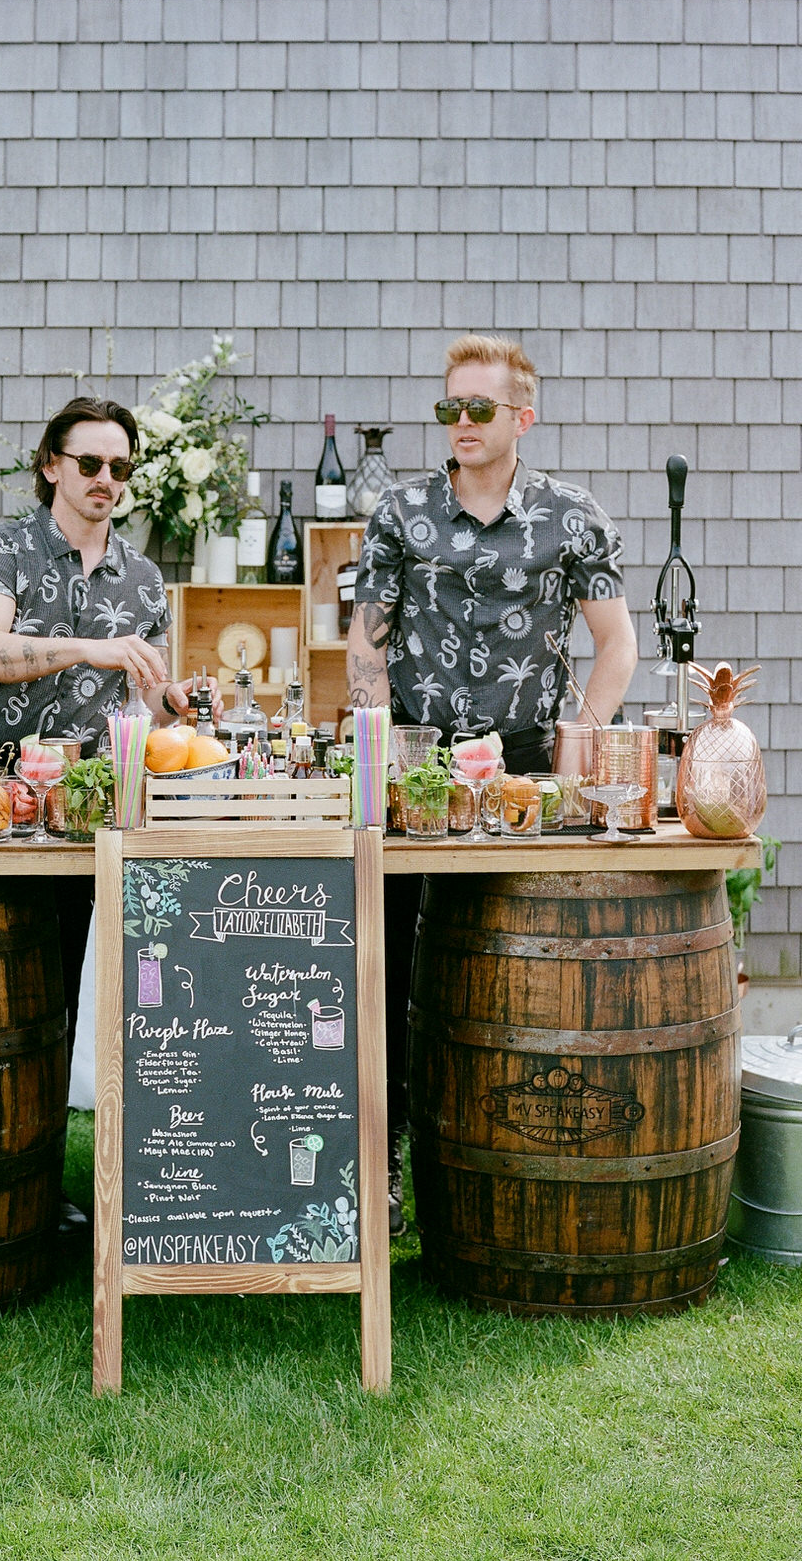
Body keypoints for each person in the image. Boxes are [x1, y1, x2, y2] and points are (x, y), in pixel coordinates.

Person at [346, 334, 638, 1228]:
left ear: (523, 415)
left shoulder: (572, 515)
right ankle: (388, 1170)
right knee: (389, 961)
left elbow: (616, 643)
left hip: (520, 763)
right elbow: (368, 644)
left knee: (508, 959)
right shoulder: (400, 514)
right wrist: (377, 755)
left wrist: (575, 745)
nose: (461, 424)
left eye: (480, 409)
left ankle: (497, 1159)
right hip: (418, 762)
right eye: (449, 408)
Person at [0, 394, 216, 1235]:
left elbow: (153, 703)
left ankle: (41, 1189)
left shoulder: (140, 579)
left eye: (122, 468)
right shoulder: (5, 551)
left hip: (82, 810)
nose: (107, 480)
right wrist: (87, 647)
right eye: (91, 463)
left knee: (59, 998)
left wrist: (179, 702)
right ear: (51, 465)